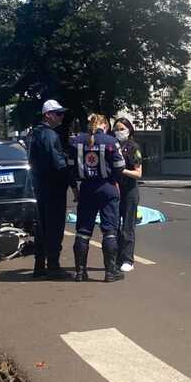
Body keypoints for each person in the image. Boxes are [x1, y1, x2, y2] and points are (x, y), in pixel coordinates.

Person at [70, 114, 126, 282]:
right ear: (103, 124)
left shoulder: (76, 141)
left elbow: (70, 167)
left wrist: (75, 188)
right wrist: (115, 181)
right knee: (109, 230)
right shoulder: (110, 141)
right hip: (107, 188)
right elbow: (119, 166)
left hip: (86, 188)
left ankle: (80, 272)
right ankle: (110, 272)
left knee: (83, 231)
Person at [27, 99, 71, 279]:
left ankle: (39, 265)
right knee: (54, 226)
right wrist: (72, 182)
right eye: (58, 113)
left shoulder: (33, 134)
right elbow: (58, 163)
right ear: (48, 115)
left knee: (42, 226)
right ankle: (53, 266)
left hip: (40, 186)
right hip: (54, 187)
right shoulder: (50, 135)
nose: (61, 116)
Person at [113, 117, 142, 272]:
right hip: (115, 191)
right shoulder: (112, 146)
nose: (119, 132)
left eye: (122, 129)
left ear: (129, 130)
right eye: (116, 129)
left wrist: (122, 171)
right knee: (114, 225)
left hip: (129, 191)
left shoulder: (133, 148)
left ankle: (128, 259)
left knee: (127, 227)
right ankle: (117, 258)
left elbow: (138, 173)